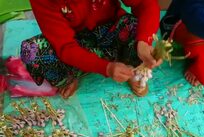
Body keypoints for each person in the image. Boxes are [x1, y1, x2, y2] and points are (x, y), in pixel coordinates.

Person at [21, 0, 162, 98]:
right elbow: (65, 47)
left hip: (112, 29)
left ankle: (132, 69)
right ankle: (69, 77)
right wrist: (105, 68)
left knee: (137, 27)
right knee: (32, 51)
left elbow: (145, 3)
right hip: (78, 42)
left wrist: (144, 41)